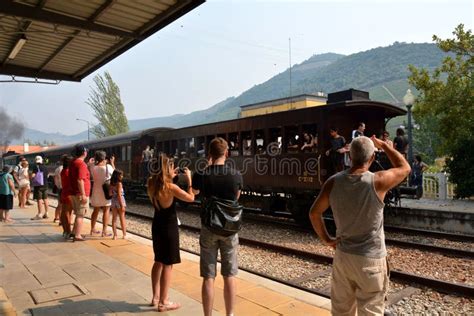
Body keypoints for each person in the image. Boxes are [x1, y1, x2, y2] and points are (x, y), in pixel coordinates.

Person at [309, 136, 410, 315]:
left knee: (341, 312)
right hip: (371, 259)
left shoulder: (333, 182)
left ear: (349, 156)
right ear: (372, 158)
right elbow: (404, 168)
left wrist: (327, 239)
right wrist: (386, 146)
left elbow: (314, 213)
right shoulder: (378, 181)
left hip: (343, 257)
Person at [192, 137, 244, 316]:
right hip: (229, 229)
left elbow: (194, 192)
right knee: (229, 274)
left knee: (208, 276)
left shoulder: (202, 174)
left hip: (209, 227)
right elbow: (236, 198)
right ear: (226, 153)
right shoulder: (236, 174)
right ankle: (230, 314)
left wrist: (206, 167)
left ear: (210, 154)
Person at [147, 154, 194, 312]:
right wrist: (189, 179)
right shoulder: (171, 188)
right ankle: (164, 302)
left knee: (158, 261)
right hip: (169, 227)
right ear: (167, 169)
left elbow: (161, 184)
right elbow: (191, 198)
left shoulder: (151, 183)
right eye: (171, 166)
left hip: (157, 225)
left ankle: (155, 297)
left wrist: (170, 177)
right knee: (168, 264)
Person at [89, 150, 114, 237]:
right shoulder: (108, 167)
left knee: (95, 210)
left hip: (96, 191)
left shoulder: (93, 167)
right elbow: (115, 175)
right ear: (104, 158)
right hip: (105, 192)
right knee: (106, 210)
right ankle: (104, 231)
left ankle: (92, 229)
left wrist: (91, 162)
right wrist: (112, 163)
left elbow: (90, 166)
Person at [69, 145, 91, 242]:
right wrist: (83, 194)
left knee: (78, 213)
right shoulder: (81, 164)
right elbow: (80, 180)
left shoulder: (73, 162)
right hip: (80, 193)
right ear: (84, 152)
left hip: (74, 192)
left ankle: (74, 232)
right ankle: (77, 235)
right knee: (80, 215)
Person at [30, 156, 50, 220]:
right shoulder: (46, 167)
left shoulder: (36, 167)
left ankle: (40, 214)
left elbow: (33, 176)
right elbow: (47, 175)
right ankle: (46, 213)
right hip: (45, 185)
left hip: (38, 186)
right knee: (45, 199)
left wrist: (31, 178)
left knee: (39, 199)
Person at [110, 169, 127, 240]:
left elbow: (110, 193)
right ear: (118, 176)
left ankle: (115, 235)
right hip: (120, 201)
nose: (122, 176)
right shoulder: (119, 184)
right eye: (121, 175)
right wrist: (122, 205)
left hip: (113, 201)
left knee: (114, 218)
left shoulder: (111, 183)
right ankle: (124, 234)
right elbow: (119, 195)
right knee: (122, 218)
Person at [60, 155, 74, 239]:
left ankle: (65, 231)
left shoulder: (63, 170)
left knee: (64, 212)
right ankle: (69, 231)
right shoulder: (69, 171)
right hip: (70, 193)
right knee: (68, 213)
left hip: (64, 192)